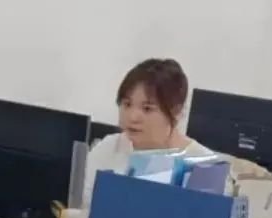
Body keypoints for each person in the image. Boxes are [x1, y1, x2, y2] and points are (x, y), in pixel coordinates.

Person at [83, 58, 211, 206]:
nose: (132, 117)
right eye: (127, 104)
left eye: (147, 109)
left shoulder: (203, 166)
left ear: (176, 112)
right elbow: (80, 206)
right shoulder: (108, 147)